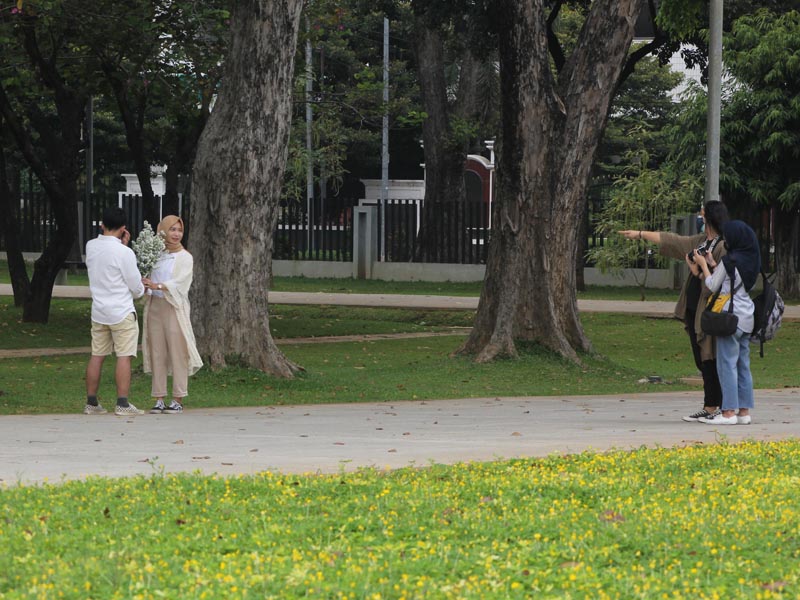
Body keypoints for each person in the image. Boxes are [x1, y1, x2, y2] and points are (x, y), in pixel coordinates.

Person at [619, 201, 729, 422]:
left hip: (710, 311)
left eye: (703, 211)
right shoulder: (700, 241)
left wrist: (698, 266)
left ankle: (722, 407)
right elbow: (672, 240)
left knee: (711, 357)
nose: (700, 214)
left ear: (708, 215)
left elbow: (716, 283)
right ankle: (710, 406)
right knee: (702, 358)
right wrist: (640, 234)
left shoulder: (722, 246)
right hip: (692, 308)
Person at [694, 220, 760, 425]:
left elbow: (713, 285)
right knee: (743, 365)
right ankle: (744, 411)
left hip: (729, 318)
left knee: (727, 364)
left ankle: (728, 412)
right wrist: (715, 265)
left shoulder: (729, 260)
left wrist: (704, 266)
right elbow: (734, 281)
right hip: (747, 316)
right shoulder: (751, 260)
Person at [84, 207, 146, 416]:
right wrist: (125, 248)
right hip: (121, 311)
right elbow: (136, 288)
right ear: (123, 229)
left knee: (97, 355)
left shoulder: (91, 246)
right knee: (124, 356)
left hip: (99, 310)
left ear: (102, 225)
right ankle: (122, 403)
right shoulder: (124, 253)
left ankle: (91, 402)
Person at [141, 216, 202, 414]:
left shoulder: (185, 257)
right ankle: (159, 397)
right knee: (157, 351)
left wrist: (159, 285)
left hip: (173, 307)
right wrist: (146, 285)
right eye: (172, 229)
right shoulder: (155, 254)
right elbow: (147, 276)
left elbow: (181, 283)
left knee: (178, 352)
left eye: (179, 230)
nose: (176, 234)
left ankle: (178, 398)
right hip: (155, 306)